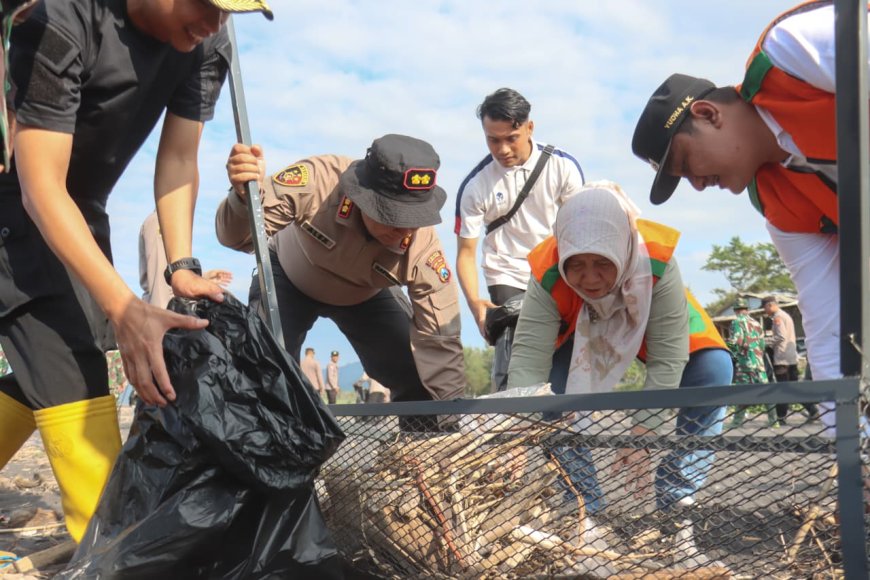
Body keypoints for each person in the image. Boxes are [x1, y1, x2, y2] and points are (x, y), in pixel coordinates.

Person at [0, 0, 273, 543]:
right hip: (19, 208)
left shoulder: (205, 45)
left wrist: (181, 265)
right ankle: (112, 553)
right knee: (72, 378)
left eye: (229, 13)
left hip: (82, 212)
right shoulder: (63, 21)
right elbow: (40, 185)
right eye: (206, 5)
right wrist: (123, 305)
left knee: (50, 369)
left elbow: (177, 159)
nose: (215, 24)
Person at [631, 1, 868, 435]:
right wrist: (856, 454)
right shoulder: (779, 205)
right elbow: (827, 331)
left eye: (686, 163)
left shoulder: (788, 57)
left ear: (707, 113)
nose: (697, 186)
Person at [507, 182, 732, 555]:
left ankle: (676, 504)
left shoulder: (655, 261)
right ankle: (583, 510)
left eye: (602, 264)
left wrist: (643, 433)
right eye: (576, 265)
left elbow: (668, 356)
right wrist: (516, 428)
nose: (591, 279)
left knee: (714, 370)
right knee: (548, 398)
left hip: (652, 325)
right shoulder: (546, 270)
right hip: (580, 331)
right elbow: (528, 360)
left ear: (622, 250)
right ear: (562, 253)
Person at [216, 134, 465, 407]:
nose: (405, 231)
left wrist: (451, 425)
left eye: (414, 220)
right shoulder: (317, 181)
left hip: (366, 296)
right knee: (265, 367)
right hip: (288, 277)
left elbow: (441, 341)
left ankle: (418, 446)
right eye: (394, 218)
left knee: (417, 370)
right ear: (362, 197)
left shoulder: (425, 252)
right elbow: (236, 238)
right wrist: (242, 198)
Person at [455, 88, 585, 390]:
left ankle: (560, 422)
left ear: (529, 128)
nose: (502, 149)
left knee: (564, 351)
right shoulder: (475, 185)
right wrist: (475, 303)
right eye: (492, 139)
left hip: (555, 271)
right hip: (507, 273)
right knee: (513, 348)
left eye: (510, 138)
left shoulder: (563, 167)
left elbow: (580, 230)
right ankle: (509, 421)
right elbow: (465, 253)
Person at [139, 210, 233, 307]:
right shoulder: (159, 221)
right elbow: (159, 288)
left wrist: (203, 278)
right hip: (165, 314)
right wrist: (165, 319)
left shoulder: (169, 222)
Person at [726, 299, 768, 428]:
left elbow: (736, 341)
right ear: (747, 309)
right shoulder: (756, 323)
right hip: (758, 361)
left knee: (741, 392)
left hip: (744, 362)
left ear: (735, 310)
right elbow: (762, 344)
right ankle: (774, 420)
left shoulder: (736, 322)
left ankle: (737, 422)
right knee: (766, 390)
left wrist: (727, 349)